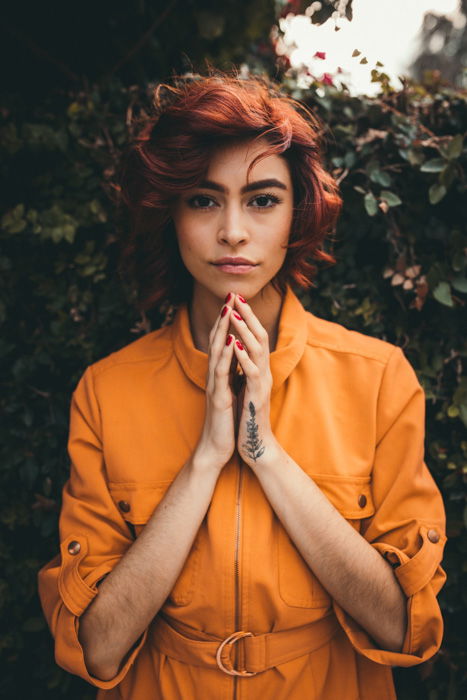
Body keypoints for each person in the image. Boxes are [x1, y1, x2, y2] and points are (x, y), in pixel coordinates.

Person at [38, 70, 447, 700]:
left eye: (261, 199)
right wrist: (205, 460)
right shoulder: (106, 391)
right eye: (204, 199)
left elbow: (403, 629)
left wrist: (266, 455)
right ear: (170, 213)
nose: (233, 230)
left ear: (298, 213)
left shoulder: (377, 378)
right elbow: (96, 645)